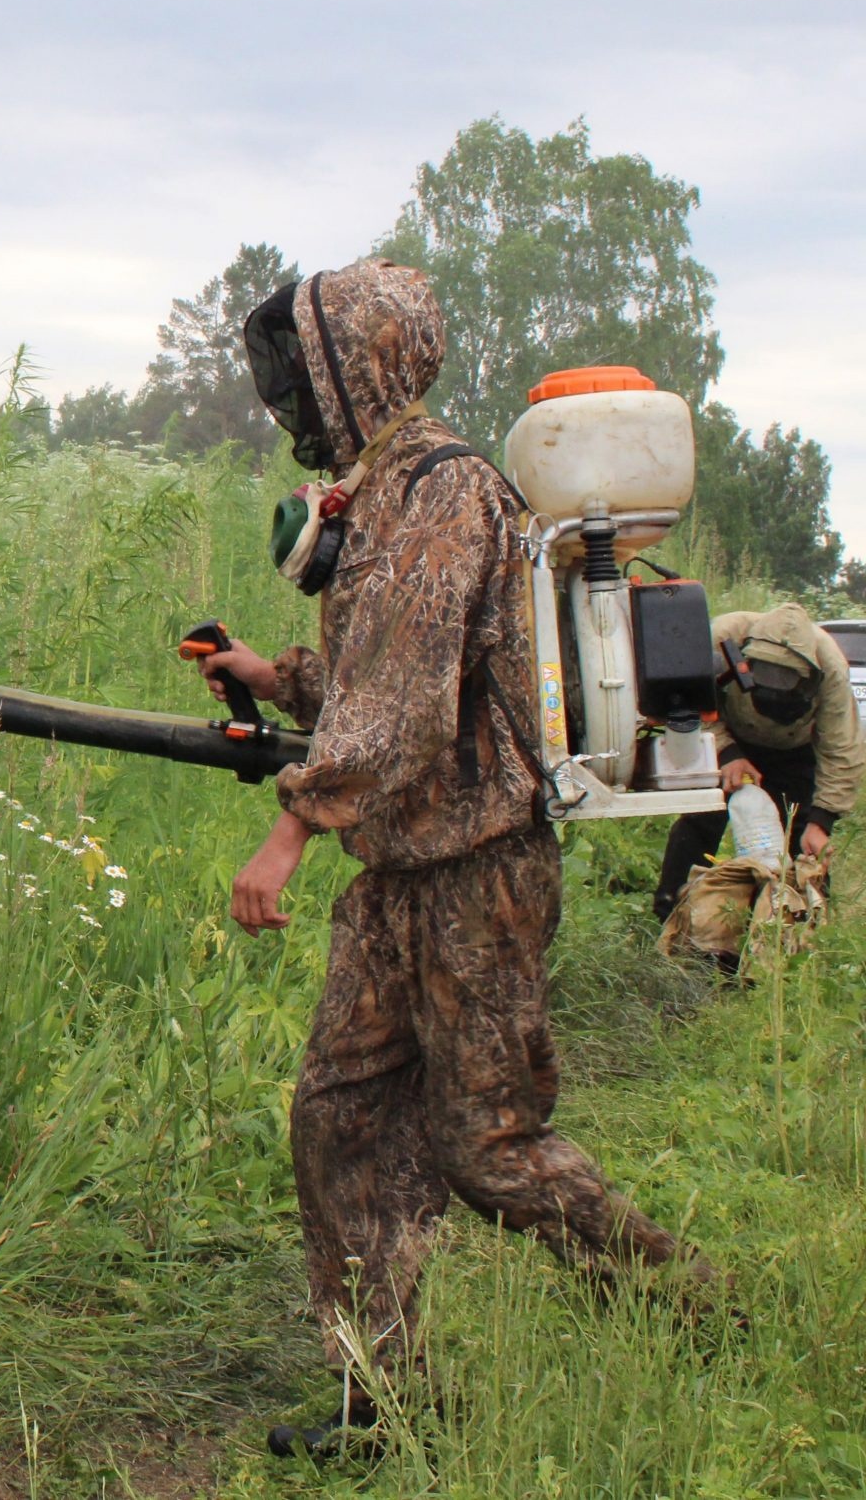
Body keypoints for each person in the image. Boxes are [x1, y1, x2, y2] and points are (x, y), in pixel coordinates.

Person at [195, 258, 708, 1460]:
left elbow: (408, 709)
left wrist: (289, 828)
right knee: (339, 1120)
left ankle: (686, 1306)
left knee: (487, 1148)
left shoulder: (446, 490)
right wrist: (277, 677)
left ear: (358, 365)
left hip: (478, 873)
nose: (293, 400)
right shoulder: (377, 498)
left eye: (307, 370)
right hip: (401, 877)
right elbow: (380, 667)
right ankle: (380, 1396)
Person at [650, 601, 858, 932]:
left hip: (794, 750)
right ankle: (670, 911)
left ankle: (806, 928)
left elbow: (841, 747)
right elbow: (686, 709)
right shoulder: (719, 638)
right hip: (728, 736)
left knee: (803, 837)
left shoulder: (830, 667)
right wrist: (727, 753)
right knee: (701, 819)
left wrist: (823, 819)